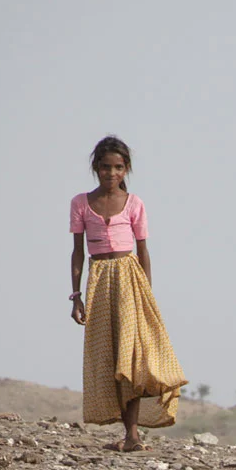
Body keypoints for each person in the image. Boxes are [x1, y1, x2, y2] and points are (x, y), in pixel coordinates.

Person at [69, 136, 185, 450]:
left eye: (118, 167)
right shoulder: (81, 203)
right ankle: (128, 433)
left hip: (130, 280)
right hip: (99, 280)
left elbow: (143, 251)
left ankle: (133, 434)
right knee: (110, 355)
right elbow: (77, 252)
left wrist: (147, 294)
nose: (111, 173)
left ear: (126, 169)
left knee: (131, 356)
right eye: (106, 167)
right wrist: (76, 296)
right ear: (96, 167)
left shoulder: (134, 203)